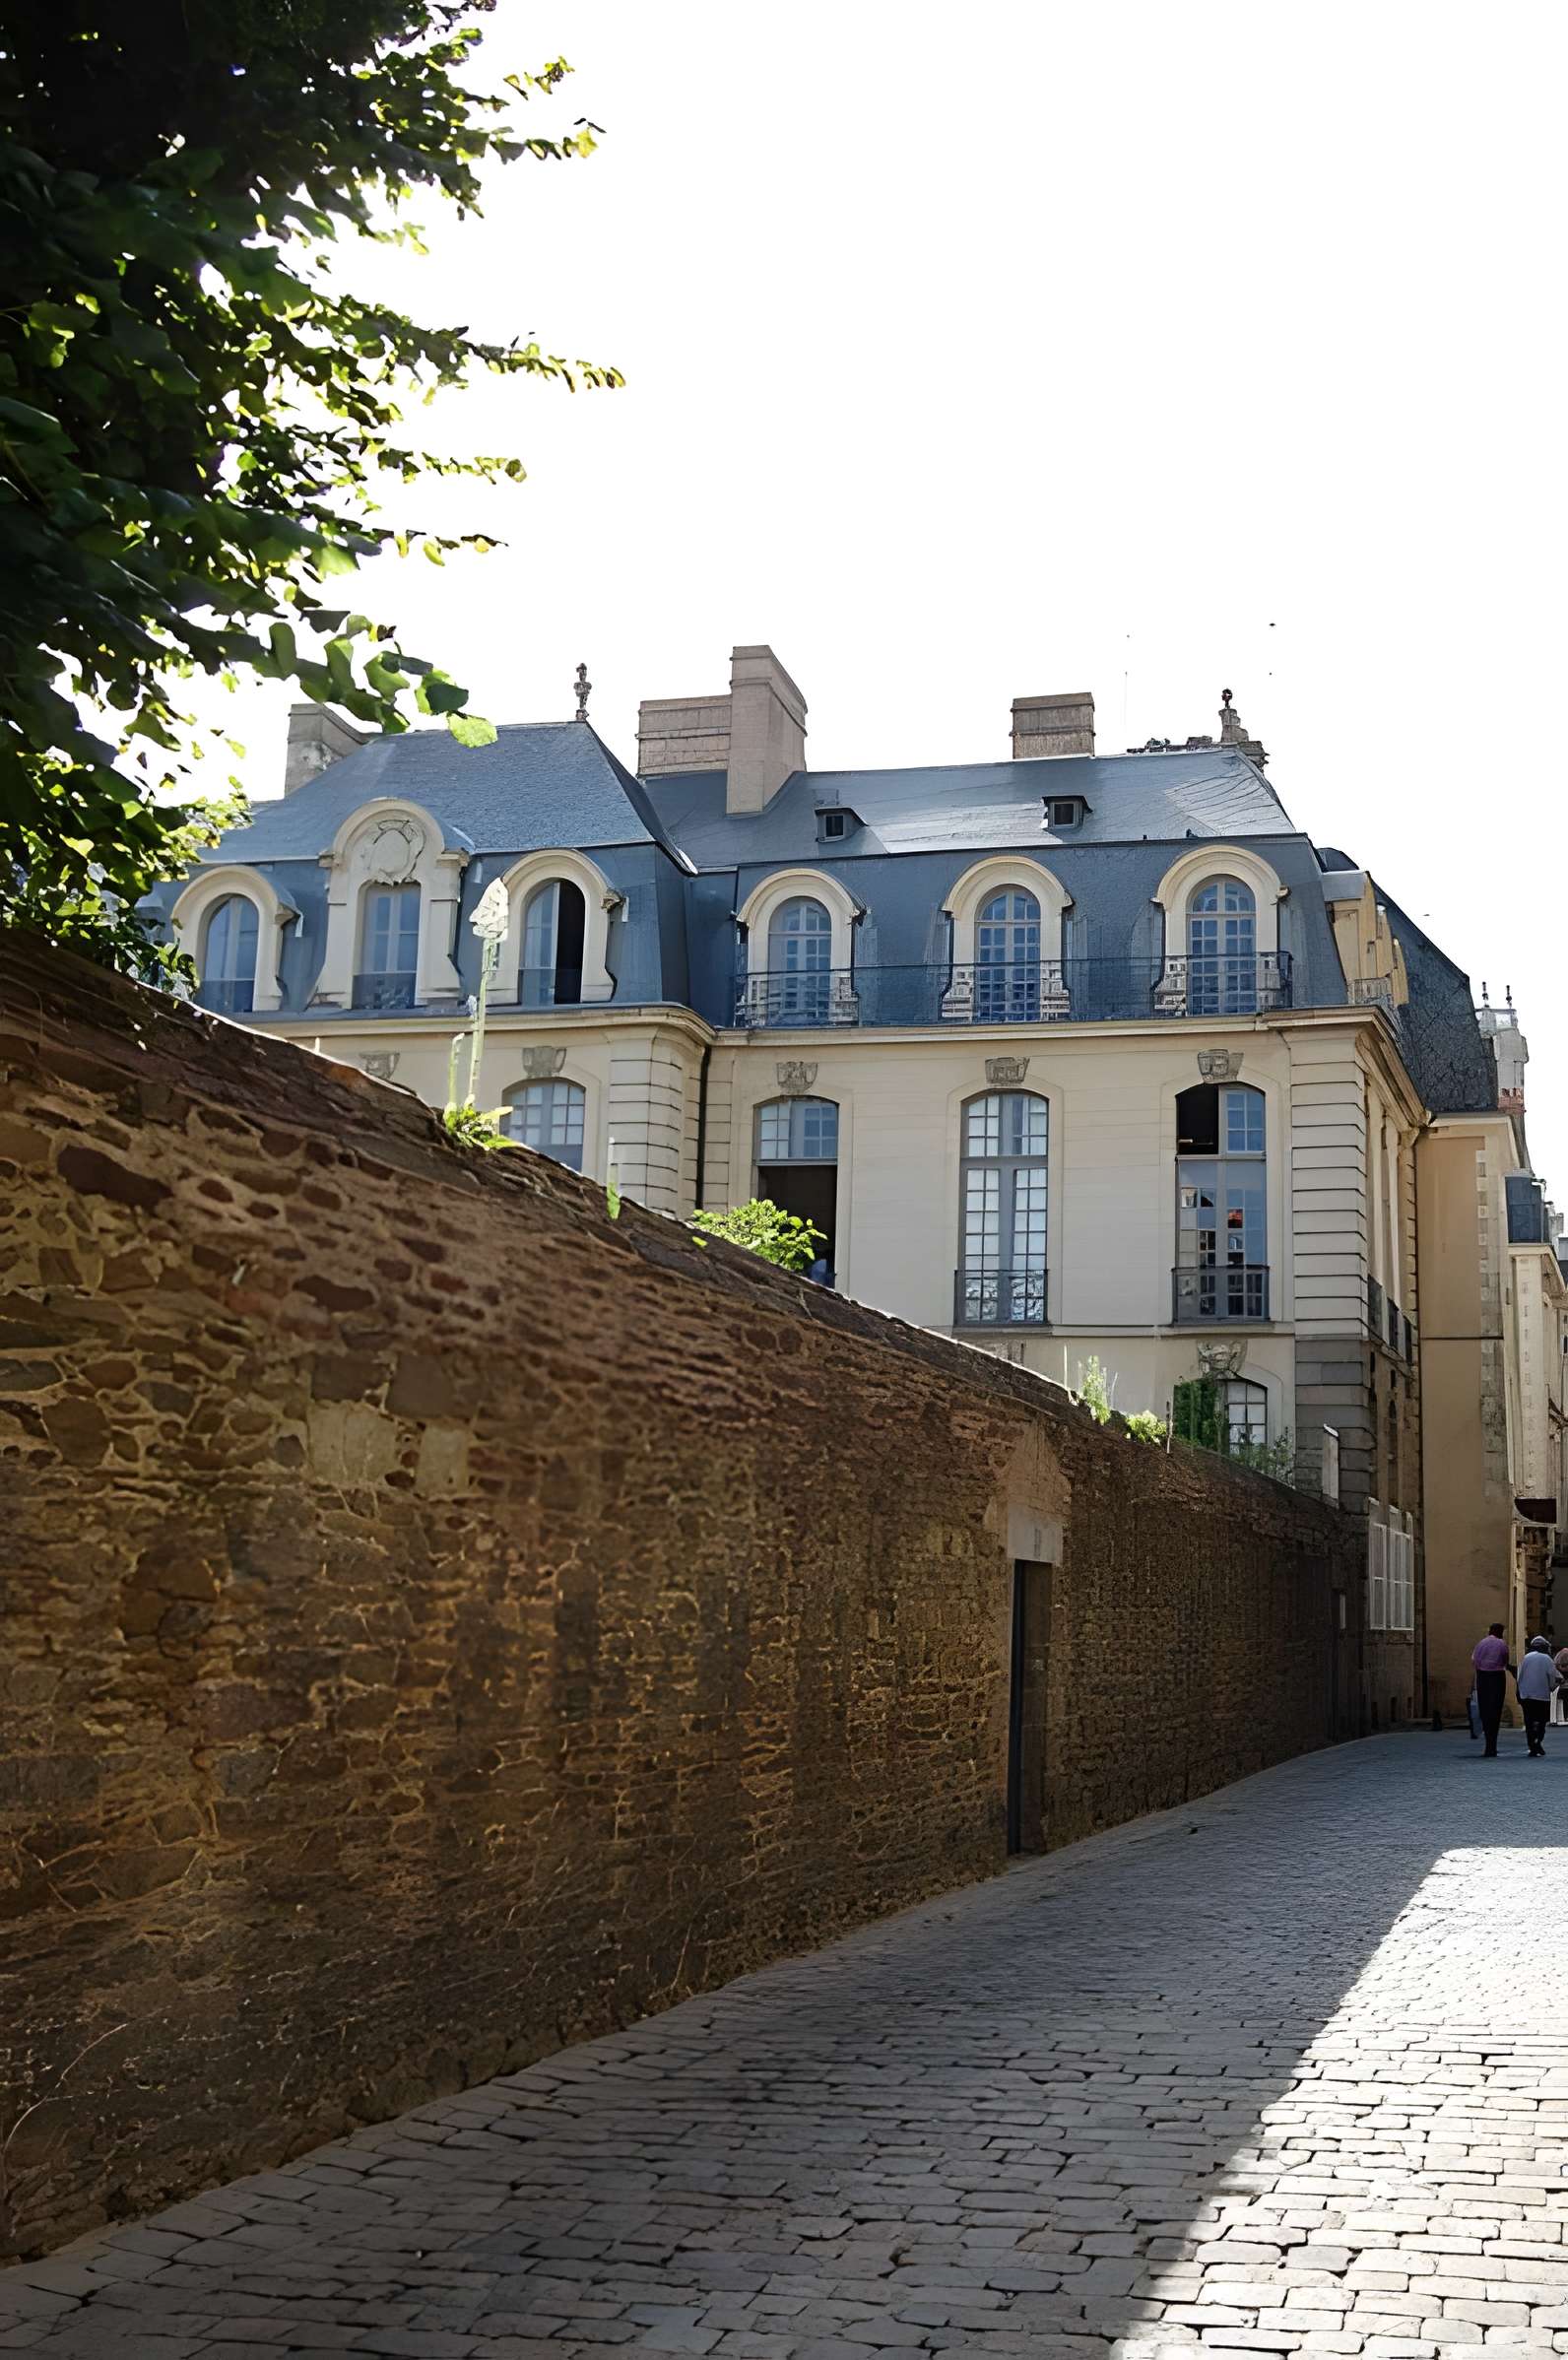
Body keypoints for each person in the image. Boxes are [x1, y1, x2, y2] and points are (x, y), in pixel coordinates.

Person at [1515, 1636, 1563, 1757]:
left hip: (1526, 1695)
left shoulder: (1526, 1658)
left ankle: (1532, 1744)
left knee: (1529, 1721)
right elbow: (1553, 1677)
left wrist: (1520, 1692)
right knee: (1541, 1722)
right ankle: (1538, 1742)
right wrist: (1552, 1687)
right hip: (1541, 1696)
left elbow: (1519, 1676)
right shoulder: (1546, 1659)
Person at [1471, 1623, 1511, 1756]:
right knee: (1495, 1710)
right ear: (1499, 1632)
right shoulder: (1501, 1644)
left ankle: (1488, 1743)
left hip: (1482, 1677)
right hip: (1497, 1677)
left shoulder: (1481, 1643)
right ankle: (1492, 1744)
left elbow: (1474, 1660)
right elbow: (1505, 1659)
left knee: (1485, 1710)